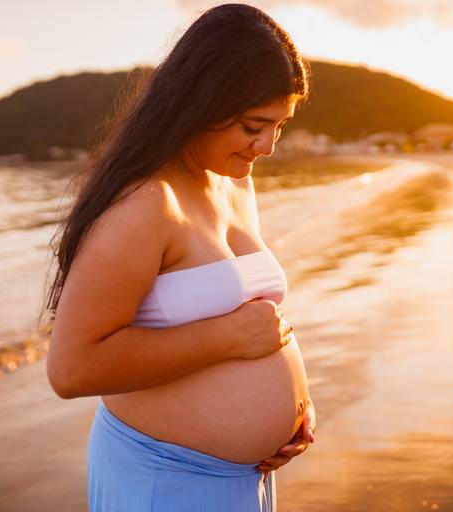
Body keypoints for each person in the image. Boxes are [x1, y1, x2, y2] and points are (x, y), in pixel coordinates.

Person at [43, 3, 316, 510]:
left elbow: (251, 309)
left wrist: (298, 409)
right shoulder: (144, 204)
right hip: (165, 481)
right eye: (254, 126)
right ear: (202, 102)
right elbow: (72, 369)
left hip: (244, 478)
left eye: (279, 126)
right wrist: (230, 338)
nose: (268, 146)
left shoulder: (234, 181)